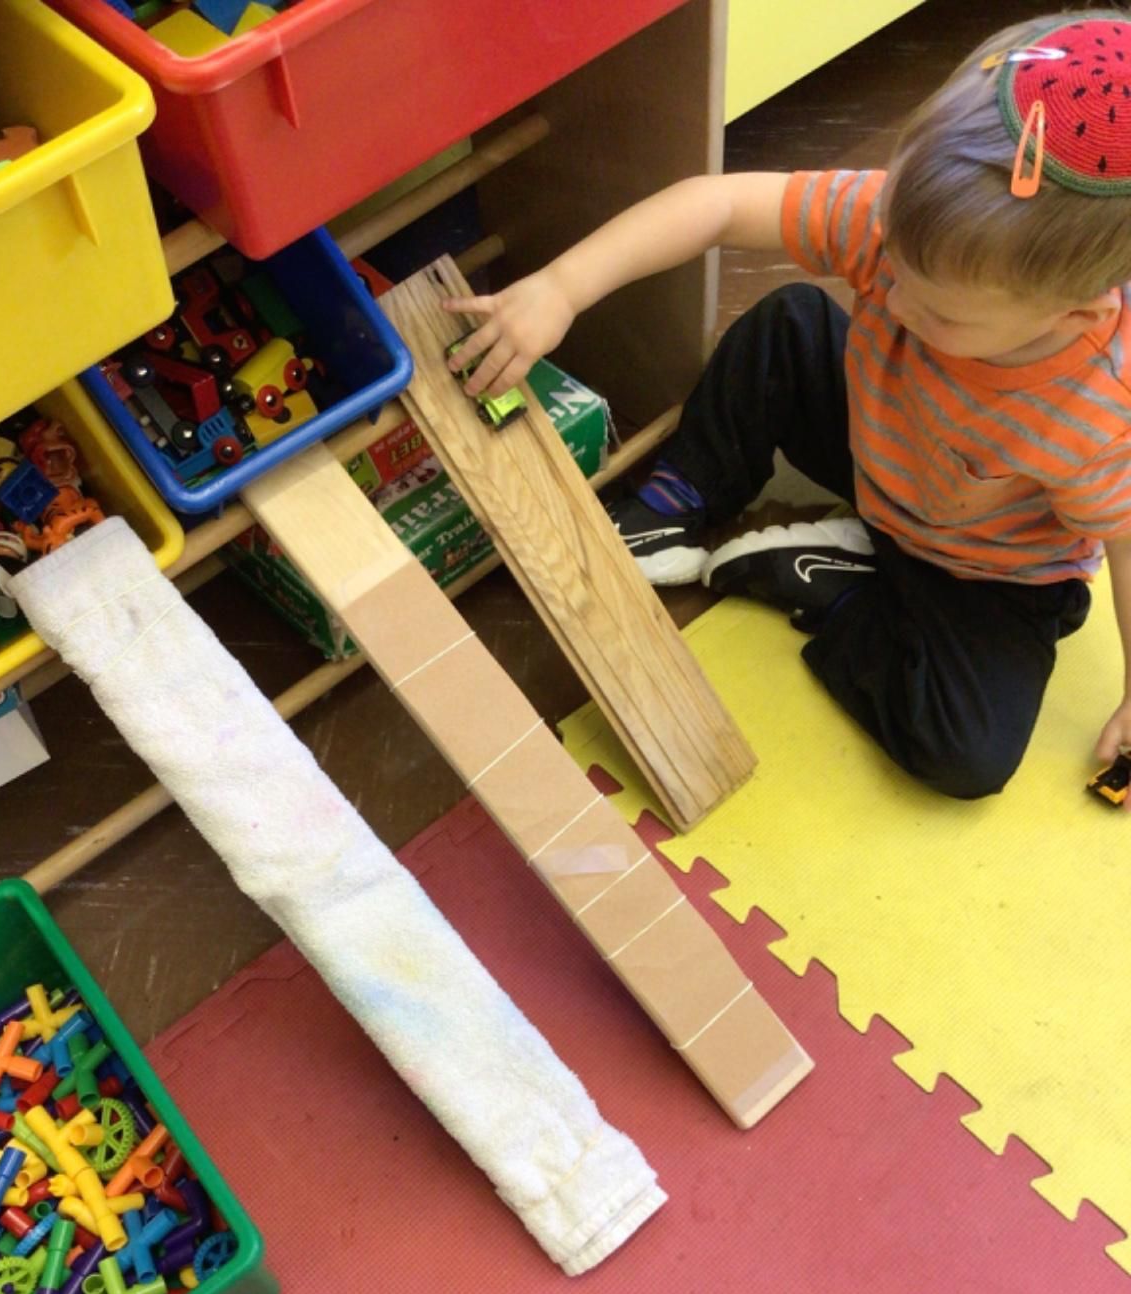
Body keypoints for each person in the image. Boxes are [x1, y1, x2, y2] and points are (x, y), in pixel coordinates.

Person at [443, 11, 1131, 800]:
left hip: (985, 568)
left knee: (966, 755)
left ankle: (832, 586)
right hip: (882, 441)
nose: (894, 302)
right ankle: (678, 495)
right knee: (789, 323)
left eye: (941, 314)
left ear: (1071, 316)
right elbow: (718, 204)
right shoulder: (915, 230)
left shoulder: (1101, 412)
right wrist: (562, 287)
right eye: (893, 265)